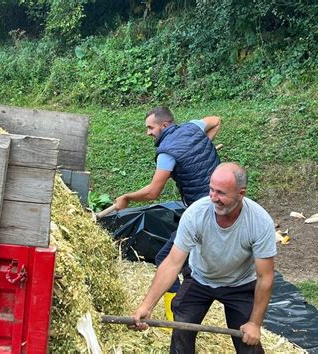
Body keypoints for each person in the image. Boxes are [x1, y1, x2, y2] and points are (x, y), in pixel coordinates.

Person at [132, 162, 276, 354]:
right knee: (182, 329)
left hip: (239, 285)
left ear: (241, 194)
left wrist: (254, 323)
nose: (213, 198)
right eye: (211, 190)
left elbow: (265, 277)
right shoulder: (196, 214)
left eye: (221, 193)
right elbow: (172, 263)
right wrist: (147, 306)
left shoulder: (259, 222)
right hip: (200, 278)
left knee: (249, 343)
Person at [114, 106, 221, 321]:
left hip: (202, 211)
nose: (148, 133)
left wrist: (126, 197)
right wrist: (205, 145)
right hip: (219, 204)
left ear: (164, 125)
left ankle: (176, 318)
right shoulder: (193, 128)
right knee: (191, 261)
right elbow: (215, 119)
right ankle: (186, 312)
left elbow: (153, 192)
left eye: (150, 127)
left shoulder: (167, 154)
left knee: (166, 258)